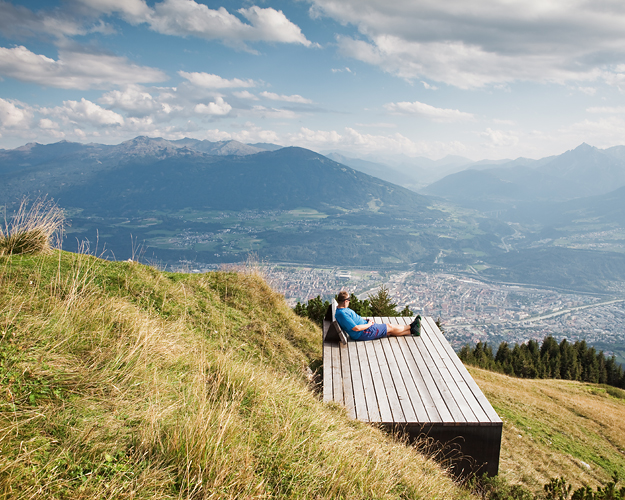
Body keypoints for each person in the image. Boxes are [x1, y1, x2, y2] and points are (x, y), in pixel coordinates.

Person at [334, 290, 421, 341]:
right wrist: (369, 324)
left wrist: (367, 320)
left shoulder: (342, 310)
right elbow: (356, 328)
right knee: (388, 327)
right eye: (349, 299)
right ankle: (410, 326)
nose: (350, 301)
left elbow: (354, 319)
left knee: (388, 331)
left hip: (365, 328)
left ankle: (412, 331)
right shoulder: (342, 314)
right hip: (363, 332)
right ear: (345, 301)